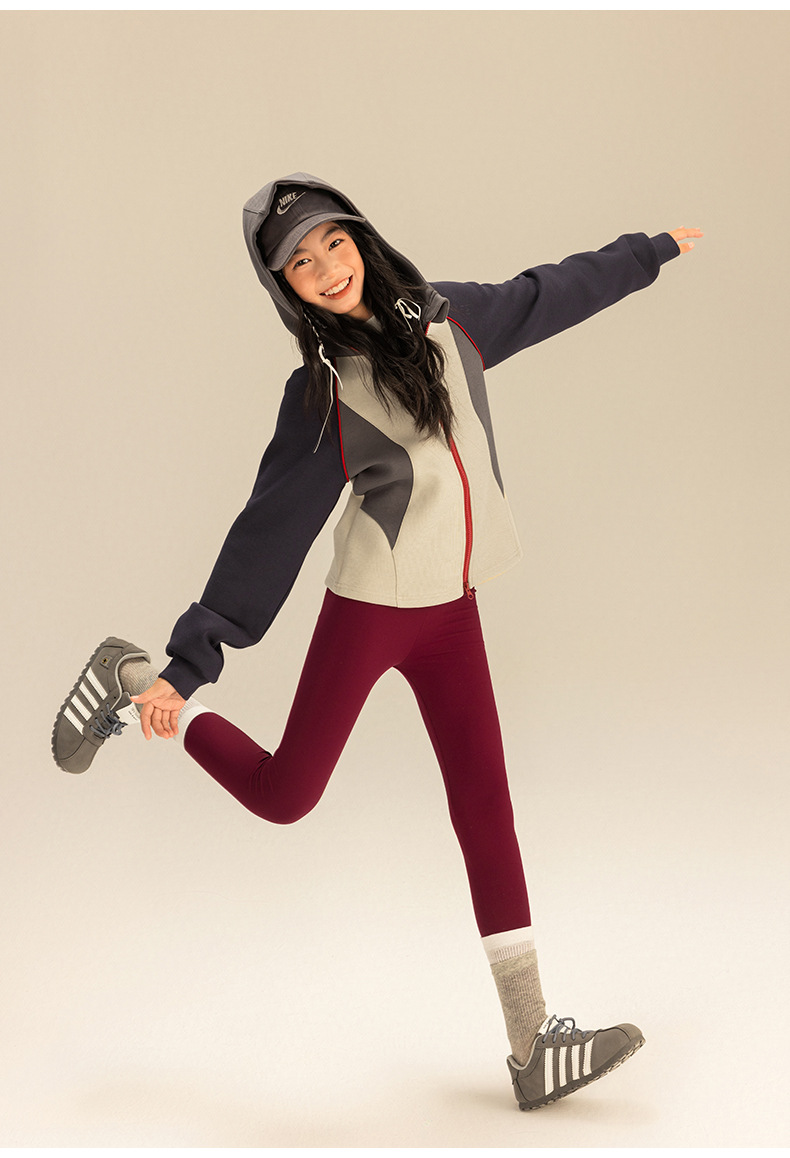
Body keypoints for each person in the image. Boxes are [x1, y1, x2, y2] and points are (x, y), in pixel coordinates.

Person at [51, 173, 702, 1111]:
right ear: (284, 287)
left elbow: (547, 293)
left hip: (454, 611)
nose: (325, 268)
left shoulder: (450, 319)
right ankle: (134, 676)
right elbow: (269, 532)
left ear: (360, 237)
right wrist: (189, 666)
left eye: (332, 242)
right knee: (286, 796)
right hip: (374, 610)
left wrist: (647, 253)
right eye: (298, 262)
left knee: (487, 806)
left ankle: (532, 1045)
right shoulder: (323, 394)